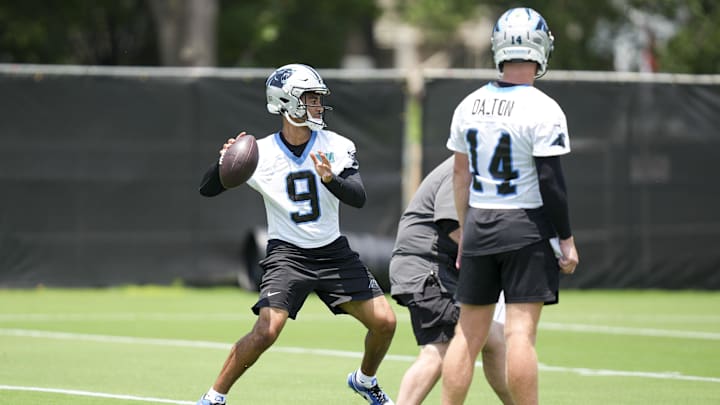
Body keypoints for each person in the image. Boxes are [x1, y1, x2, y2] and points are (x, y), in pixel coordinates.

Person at [195, 63, 397, 405]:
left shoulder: (337, 144)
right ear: (286, 102)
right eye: (310, 98)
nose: (317, 105)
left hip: (333, 251)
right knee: (266, 331)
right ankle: (214, 397)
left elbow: (359, 198)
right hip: (288, 254)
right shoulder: (259, 153)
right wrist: (223, 164)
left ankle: (365, 380)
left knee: (386, 322)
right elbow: (207, 189)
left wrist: (332, 178)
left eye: (318, 98)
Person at [441, 7, 580, 405]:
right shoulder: (543, 108)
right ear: (540, 48)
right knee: (520, 334)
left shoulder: (468, 104)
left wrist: (465, 230)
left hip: (481, 222)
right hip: (524, 226)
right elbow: (551, 182)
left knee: (467, 335)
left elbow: (460, 175)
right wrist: (566, 239)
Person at [389, 156, 513, 405]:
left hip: (445, 269)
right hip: (428, 265)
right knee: (439, 349)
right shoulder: (467, 163)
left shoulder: (490, 167)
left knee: (495, 340)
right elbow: (451, 224)